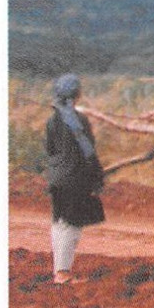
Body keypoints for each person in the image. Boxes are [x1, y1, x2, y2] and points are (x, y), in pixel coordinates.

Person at [45, 74, 106, 285]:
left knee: (59, 222)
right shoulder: (80, 120)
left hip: (56, 178)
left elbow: (50, 149)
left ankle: (59, 271)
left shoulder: (52, 120)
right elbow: (88, 151)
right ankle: (62, 273)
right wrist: (98, 176)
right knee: (72, 225)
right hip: (75, 179)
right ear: (77, 95)